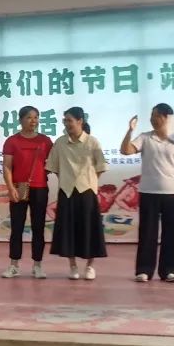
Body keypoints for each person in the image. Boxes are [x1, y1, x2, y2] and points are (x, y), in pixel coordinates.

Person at [120, 104, 174, 283]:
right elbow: (126, 150)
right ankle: (144, 270)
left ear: (167, 117)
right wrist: (130, 131)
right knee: (147, 233)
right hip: (148, 192)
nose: (152, 119)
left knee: (173, 233)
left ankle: (170, 270)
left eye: (156, 116)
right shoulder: (145, 137)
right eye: (151, 116)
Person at [46, 107, 108, 280]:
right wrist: (66, 180)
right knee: (68, 231)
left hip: (87, 191)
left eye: (70, 120)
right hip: (66, 191)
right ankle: (72, 266)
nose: (67, 124)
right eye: (65, 121)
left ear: (80, 121)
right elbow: (53, 167)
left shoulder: (92, 142)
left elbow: (100, 167)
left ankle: (90, 266)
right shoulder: (60, 143)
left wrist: (89, 181)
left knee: (90, 229)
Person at [1, 106, 53, 279]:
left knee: (38, 227)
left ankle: (37, 265)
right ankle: (13, 265)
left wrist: (43, 173)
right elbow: (7, 166)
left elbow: (52, 163)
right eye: (29, 117)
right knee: (17, 227)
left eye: (36, 117)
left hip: (40, 188)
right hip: (19, 188)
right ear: (21, 120)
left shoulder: (45, 141)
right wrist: (11, 188)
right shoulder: (12, 141)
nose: (33, 121)